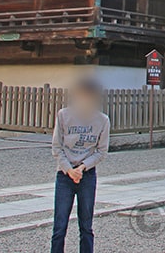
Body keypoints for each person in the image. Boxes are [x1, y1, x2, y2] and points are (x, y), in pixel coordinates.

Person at [51, 77, 110, 253]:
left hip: (87, 175)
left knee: (86, 226)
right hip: (64, 174)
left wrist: (82, 168)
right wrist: (69, 170)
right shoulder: (63, 115)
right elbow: (57, 147)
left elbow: (101, 151)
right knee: (59, 226)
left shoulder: (102, 120)